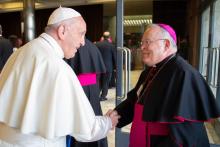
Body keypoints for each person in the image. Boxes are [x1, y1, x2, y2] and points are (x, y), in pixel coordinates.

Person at [0, 7, 120, 147]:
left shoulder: (19, 53)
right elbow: (86, 129)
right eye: (81, 34)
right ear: (62, 31)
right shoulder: (58, 67)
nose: (82, 42)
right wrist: (108, 122)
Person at [113, 23, 220, 147]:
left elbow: (185, 133)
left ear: (166, 44)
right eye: (142, 42)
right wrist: (115, 115)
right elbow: (135, 102)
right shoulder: (150, 71)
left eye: (147, 42)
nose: (142, 47)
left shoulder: (184, 75)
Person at [65, 38, 108, 147]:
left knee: (80, 123)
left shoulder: (70, 44)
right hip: (92, 88)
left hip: (77, 88)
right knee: (93, 118)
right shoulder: (91, 45)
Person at [96, 31, 116, 101]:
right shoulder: (111, 45)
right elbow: (114, 57)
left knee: (98, 81)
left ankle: (96, 95)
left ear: (103, 37)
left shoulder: (97, 44)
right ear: (109, 37)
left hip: (98, 67)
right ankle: (103, 96)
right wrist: (116, 67)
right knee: (105, 82)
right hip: (108, 67)